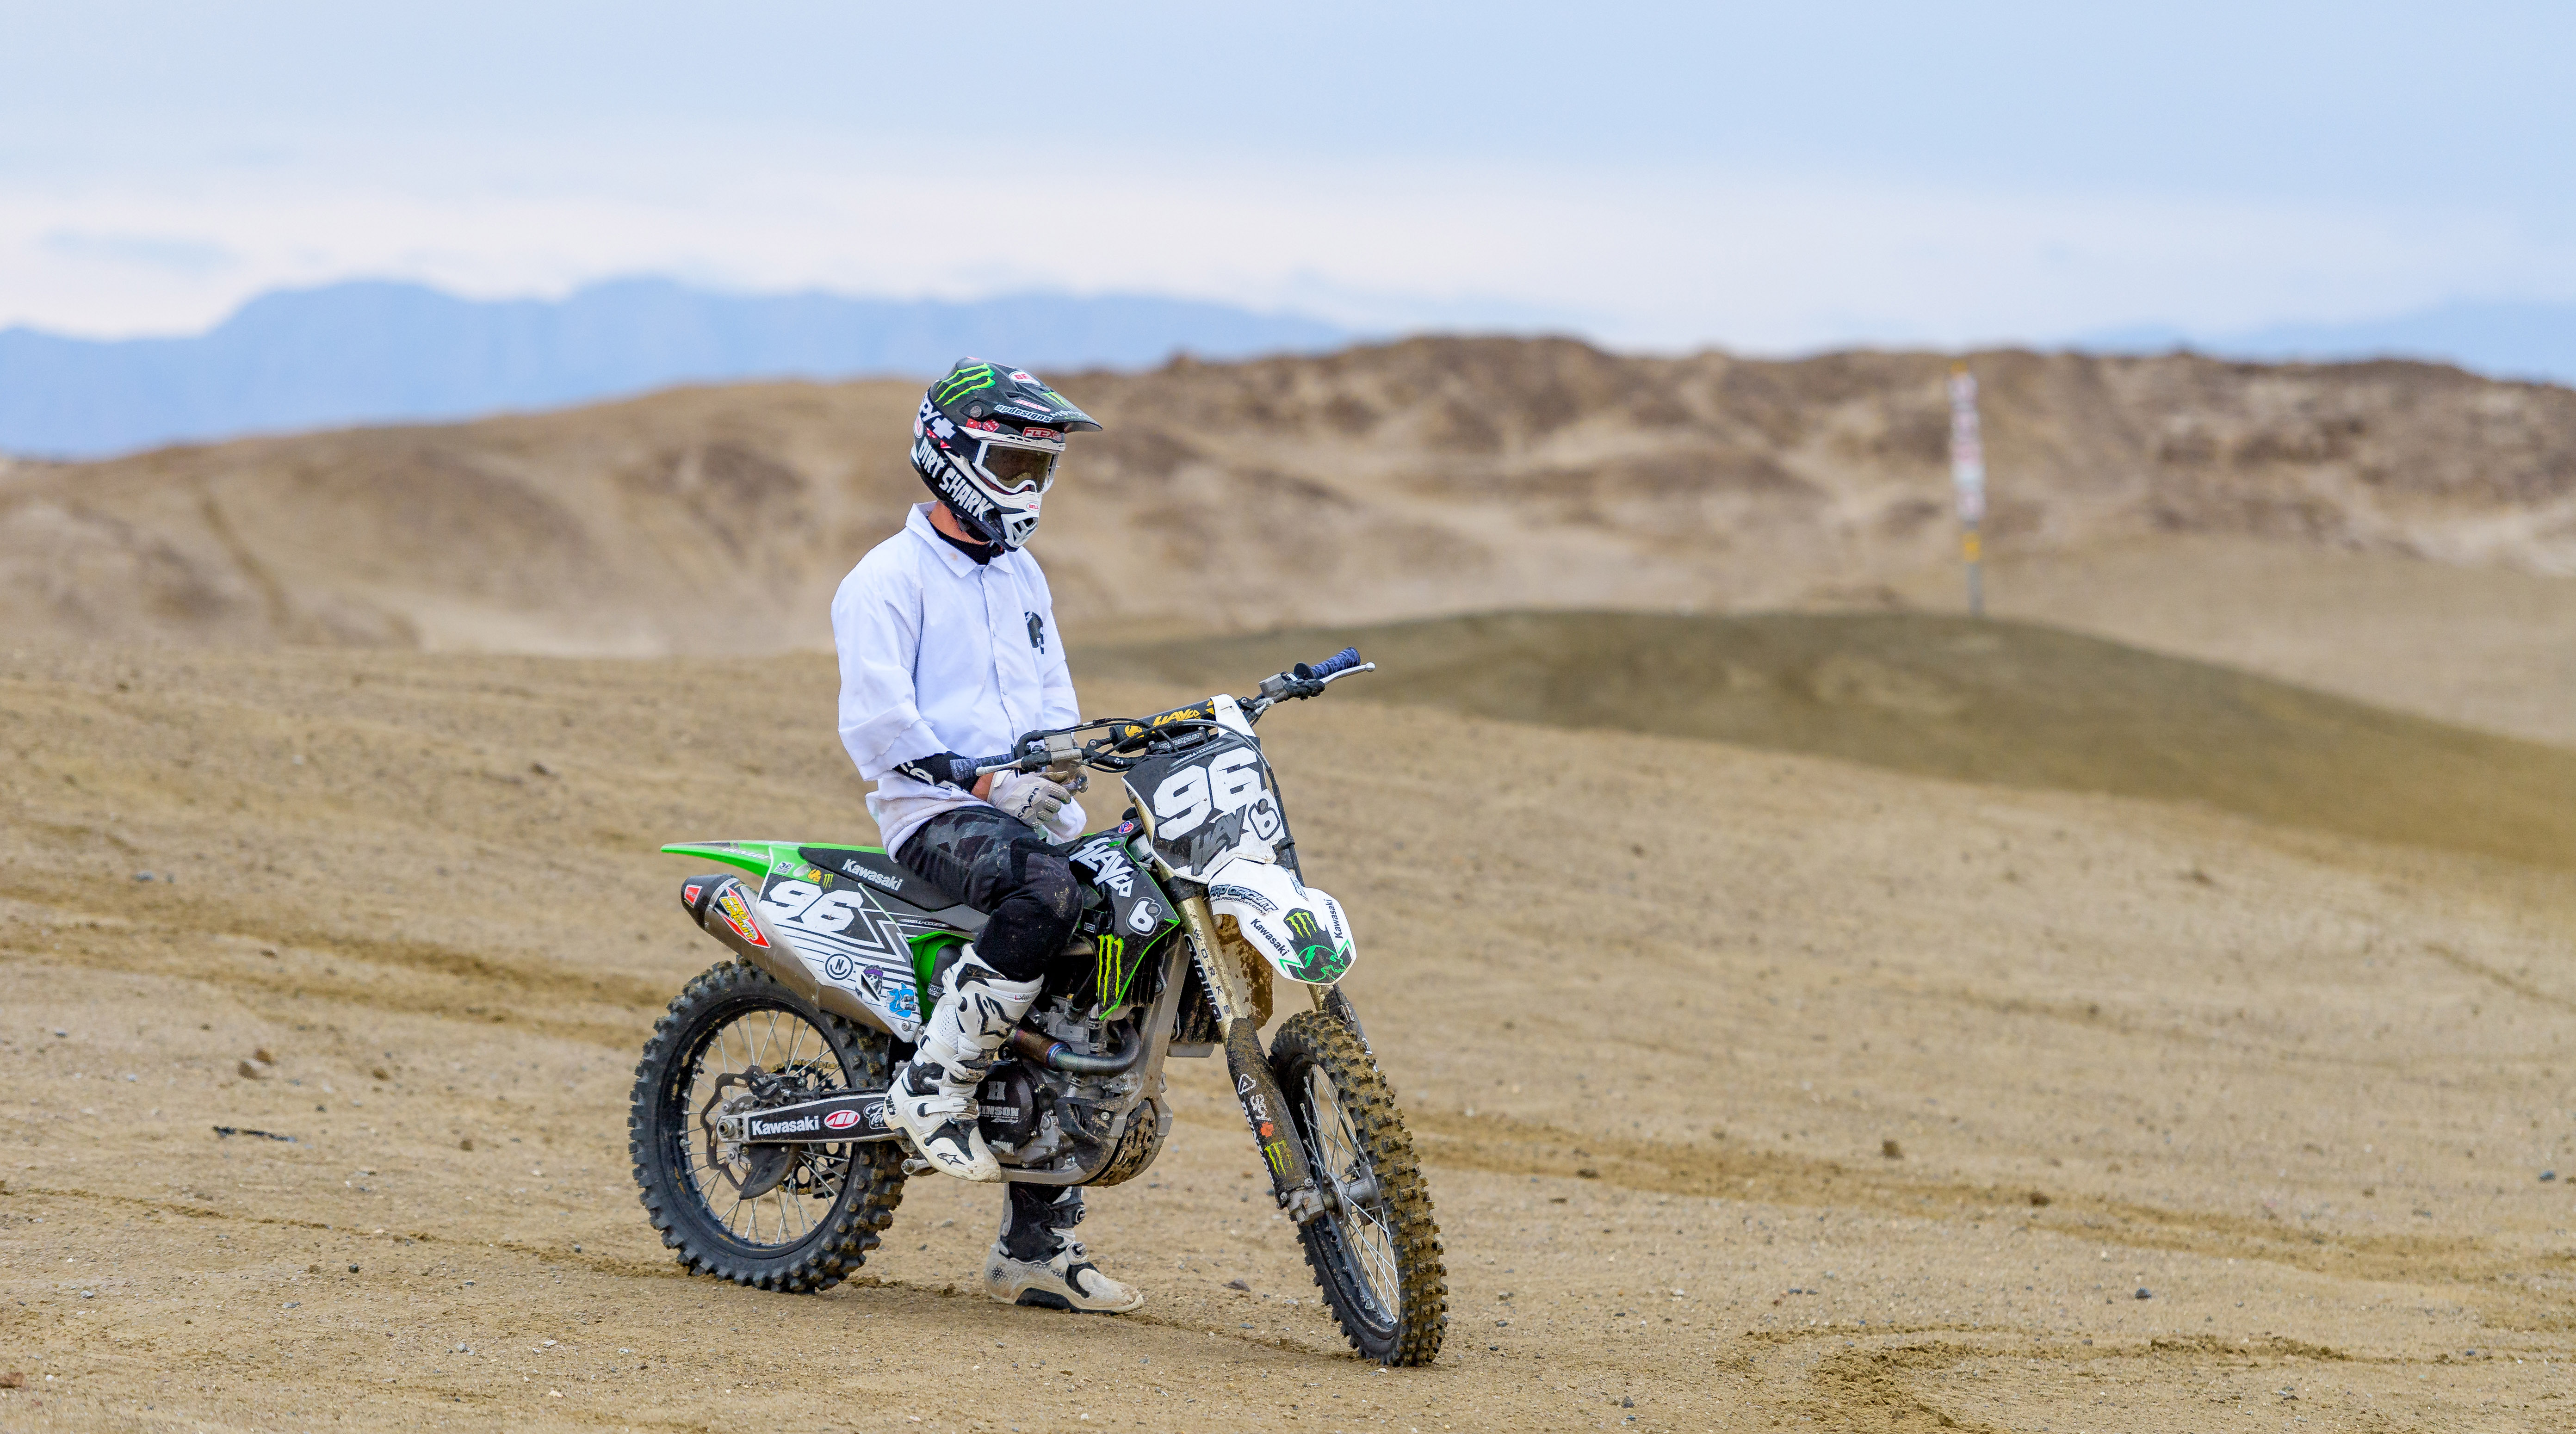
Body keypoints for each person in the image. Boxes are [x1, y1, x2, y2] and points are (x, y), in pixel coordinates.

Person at [829, 357, 1144, 1315]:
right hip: (929, 814)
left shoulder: (1023, 575)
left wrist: (1062, 769)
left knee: (1106, 928)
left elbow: (1054, 703)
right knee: (1047, 894)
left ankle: (1035, 1245)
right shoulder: (883, 580)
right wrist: (978, 778)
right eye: (1011, 464)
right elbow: (881, 726)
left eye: (1040, 471)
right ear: (951, 454)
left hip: (1021, 814)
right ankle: (931, 1086)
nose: (1028, 489)